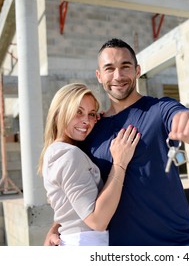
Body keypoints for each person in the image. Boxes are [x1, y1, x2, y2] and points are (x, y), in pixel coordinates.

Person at [44, 38, 189, 246]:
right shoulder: (91, 128)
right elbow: (75, 190)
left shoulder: (159, 109)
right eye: (109, 68)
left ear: (137, 71)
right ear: (99, 76)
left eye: (125, 67)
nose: (118, 76)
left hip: (175, 243)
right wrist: (56, 227)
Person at [38, 83, 140, 246]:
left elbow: (69, 208)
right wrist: (120, 164)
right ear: (58, 114)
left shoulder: (57, 152)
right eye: (78, 112)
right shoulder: (69, 155)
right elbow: (97, 221)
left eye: (91, 114)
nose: (86, 120)